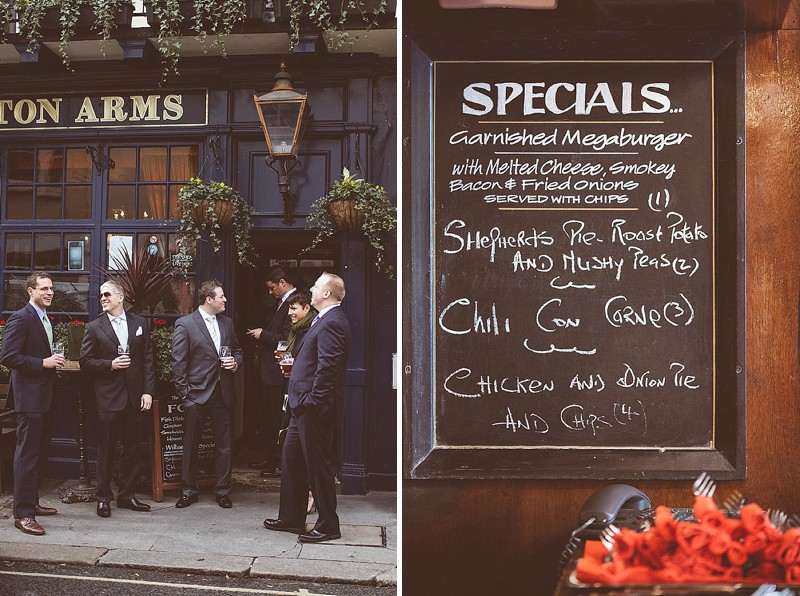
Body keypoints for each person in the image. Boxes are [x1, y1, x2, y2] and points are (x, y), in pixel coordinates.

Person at [264, 272, 351, 543]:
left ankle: (328, 524)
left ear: (327, 293)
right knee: (292, 460)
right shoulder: (322, 320)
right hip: (299, 407)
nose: (311, 289)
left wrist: (311, 402)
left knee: (318, 466)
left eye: (315, 286)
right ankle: (292, 517)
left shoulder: (333, 322)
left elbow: (328, 369)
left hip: (313, 409)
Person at [80, 279, 155, 518]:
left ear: (120, 297)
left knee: (132, 448)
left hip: (135, 397)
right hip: (108, 398)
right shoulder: (94, 327)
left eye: (107, 294)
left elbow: (148, 360)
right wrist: (110, 365)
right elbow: (85, 362)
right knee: (106, 449)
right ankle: (103, 498)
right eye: (101, 295)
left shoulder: (140, 323)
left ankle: (126, 495)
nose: (103, 298)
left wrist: (148, 391)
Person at [0, 272, 64, 536]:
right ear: (30, 291)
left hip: (44, 397)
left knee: (38, 453)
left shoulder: (43, 317)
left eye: (51, 288)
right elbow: (8, 356)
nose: (49, 292)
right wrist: (43, 363)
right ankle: (23, 514)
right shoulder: (21, 318)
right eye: (44, 289)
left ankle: (31, 502)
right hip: (29, 399)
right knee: (27, 455)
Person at [172, 279, 242, 509]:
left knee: (225, 445)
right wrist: (186, 396)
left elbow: (238, 350)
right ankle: (188, 490)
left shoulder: (228, 323)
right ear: (209, 299)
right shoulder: (186, 324)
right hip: (196, 394)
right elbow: (178, 362)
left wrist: (235, 362)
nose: (225, 300)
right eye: (221, 296)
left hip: (223, 393)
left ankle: (222, 491)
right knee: (191, 444)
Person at [246, 265, 294, 478]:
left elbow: (286, 338)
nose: (270, 292)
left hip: (278, 372)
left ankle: (279, 462)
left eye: (272, 287)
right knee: (269, 416)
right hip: (270, 372)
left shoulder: (293, 304)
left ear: (282, 283)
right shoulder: (282, 303)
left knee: (277, 418)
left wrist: (262, 334)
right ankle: (271, 457)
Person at [278, 290, 317, 515]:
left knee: (303, 450)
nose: (290, 312)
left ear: (306, 309)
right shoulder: (296, 330)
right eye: (289, 308)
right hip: (293, 394)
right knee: (292, 450)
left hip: (305, 399)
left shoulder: (311, 329)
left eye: (294, 308)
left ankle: (311, 494)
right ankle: (300, 503)